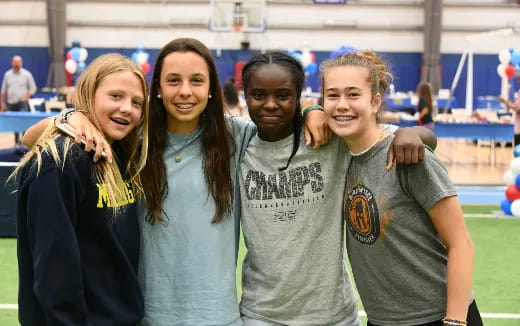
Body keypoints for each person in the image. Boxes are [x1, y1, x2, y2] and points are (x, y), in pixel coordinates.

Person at [21, 38, 328, 326]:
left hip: (219, 316)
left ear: (211, 89)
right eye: (173, 81)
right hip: (148, 315)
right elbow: (29, 138)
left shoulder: (236, 137)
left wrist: (312, 110)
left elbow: (278, 108)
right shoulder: (134, 139)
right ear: (157, 89)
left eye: (196, 80)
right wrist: (72, 117)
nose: (185, 91)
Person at [238, 51, 437, 325]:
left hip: (334, 316)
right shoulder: (239, 149)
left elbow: (420, 137)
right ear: (245, 95)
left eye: (283, 95)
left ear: (299, 97)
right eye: (258, 95)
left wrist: (410, 133)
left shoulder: (330, 139)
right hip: (261, 315)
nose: (270, 104)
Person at [321, 51, 482, 326]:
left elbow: (461, 244)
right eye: (332, 96)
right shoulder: (336, 157)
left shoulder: (409, 157)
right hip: (382, 320)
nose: (342, 105)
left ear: (375, 102)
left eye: (353, 95)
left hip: (438, 317)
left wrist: (455, 320)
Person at [10, 53, 149, 325]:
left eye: (136, 103)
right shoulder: (59, 162)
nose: (127, 109)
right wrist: (70, 115)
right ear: (89, 94)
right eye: (116, 96)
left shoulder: (120, 155)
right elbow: (54, 270)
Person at [1, 55, 37, 145]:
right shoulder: (7, 74)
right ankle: (17, 141)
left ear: (21, 63)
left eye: (19, 61)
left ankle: (24, 141)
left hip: (22, 103)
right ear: (12, 63)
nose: (17, 63)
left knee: (23, 122)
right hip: (11, 103)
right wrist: (2, 103)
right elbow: (3, 90)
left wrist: (27, 96)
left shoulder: (27, 74)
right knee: (14, 123)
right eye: (15, 62)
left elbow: (33, 88)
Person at [500, 74, 520, 146]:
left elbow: (518, 109)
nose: (518, 81)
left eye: (519, 79)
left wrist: (506, 102)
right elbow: (515, 106)